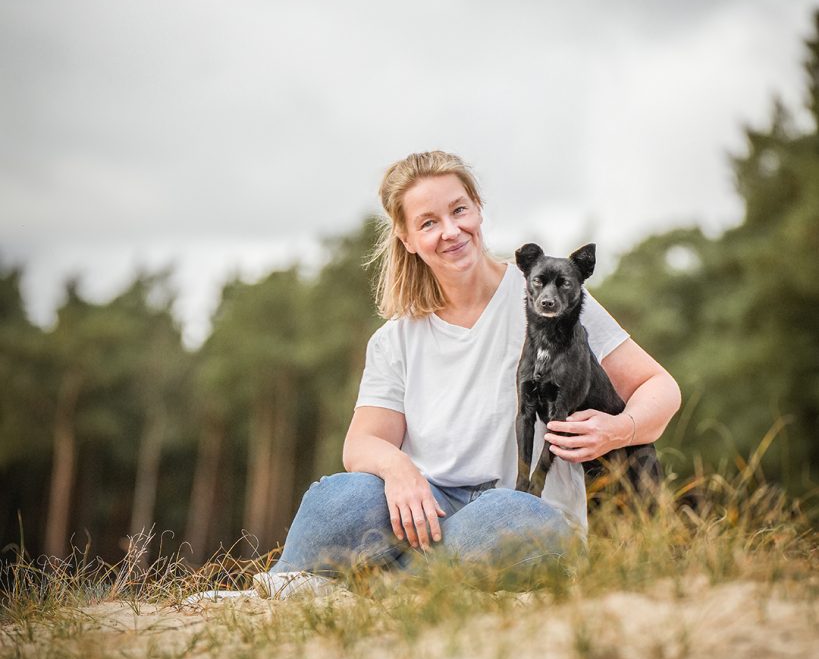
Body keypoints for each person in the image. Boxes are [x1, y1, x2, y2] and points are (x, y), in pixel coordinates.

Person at [253, 151, 681, 599]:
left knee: (510, 521)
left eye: (459, 210)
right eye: (429, 222)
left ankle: (359, 588)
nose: (451, 231)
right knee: (339, 497)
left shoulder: (550, 296)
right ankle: (290, 589)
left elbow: (660, 388)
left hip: (520, 508)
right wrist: (398, 469)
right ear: (406, 237)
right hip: (424, 509)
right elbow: (361, 444)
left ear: (478, 208)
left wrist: (619, 429)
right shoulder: (394, 339)